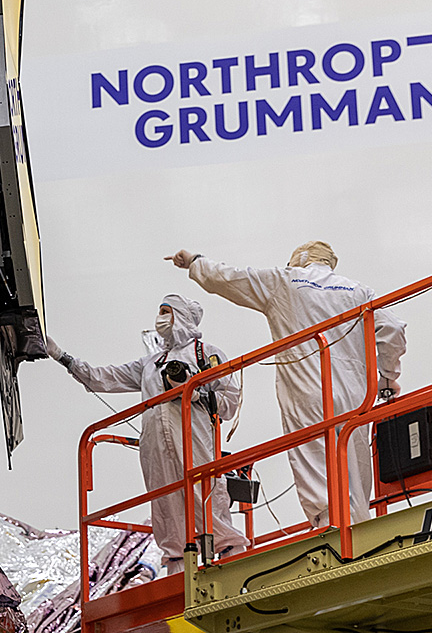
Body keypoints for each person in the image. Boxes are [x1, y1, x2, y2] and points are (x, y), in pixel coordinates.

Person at [165, 241, 407, 529]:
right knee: (353, 466)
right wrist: (388, 377)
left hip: (307, 389)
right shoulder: (358, 290)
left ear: (300, 259)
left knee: (317, 465)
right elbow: (393, 327)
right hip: (355, 394)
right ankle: (359, 527)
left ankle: (332, 531)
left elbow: (230, 278)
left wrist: (194, 261)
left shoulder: (286, 280)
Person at [44, 294, 248, 573]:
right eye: (159, 311)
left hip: (194, 439)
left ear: (182, 316)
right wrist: (62, 357)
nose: (161, 317)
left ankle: (231, 560)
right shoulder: (151, 364)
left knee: (207, 498)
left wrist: (194, 392)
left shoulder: (206, 354)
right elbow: (102, 377)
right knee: (166, 508)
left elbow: (229, 403)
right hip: (154, 446)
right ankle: (177, 571)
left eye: (167, 311)